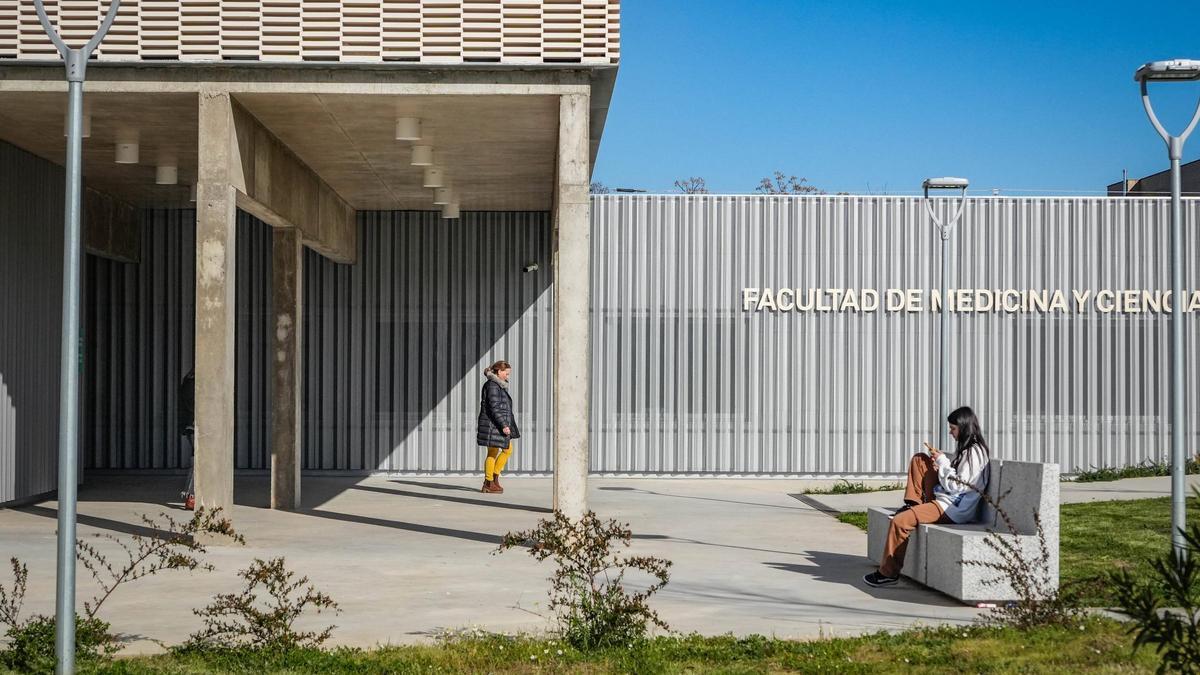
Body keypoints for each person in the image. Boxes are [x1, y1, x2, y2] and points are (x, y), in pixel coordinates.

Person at [863, 406, 991, 588]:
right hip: (946, 499)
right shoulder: (968, 450)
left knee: (900, 522)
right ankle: (912, 505)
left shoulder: (974, 453)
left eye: (953, 428)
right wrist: (939, 467)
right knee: (920, 460)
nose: (951, 432)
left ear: (964, 428)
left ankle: (888, 574)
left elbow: (958, 486)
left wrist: (942, 461)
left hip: (953, 508)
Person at [476, 360, 520, 494]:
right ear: (499, 372)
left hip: (494, 424)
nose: (507, 376)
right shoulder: (493, 386)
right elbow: (494, 408)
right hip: (493, 424)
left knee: (498, 452)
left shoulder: (497, 385)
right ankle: (490, 481)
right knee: (502, 451)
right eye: (506, 373)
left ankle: (491, 480)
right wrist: (504, 425)